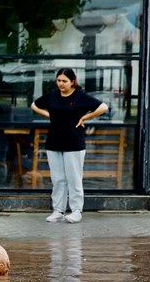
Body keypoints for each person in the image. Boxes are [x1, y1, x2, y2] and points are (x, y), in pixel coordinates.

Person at [30, 67, 109, 224]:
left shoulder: (80, 96)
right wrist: (49, 115)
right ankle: (58, 210)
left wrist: (85, 117)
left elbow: (103, 107)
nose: (61, 84)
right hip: (53, 142)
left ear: (73, 82)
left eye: (64, 81)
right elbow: (34, 105)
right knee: (58, 178)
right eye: (59, 80)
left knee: (74, 178)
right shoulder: (52, 96)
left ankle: (76, 210)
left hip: (74, 142)